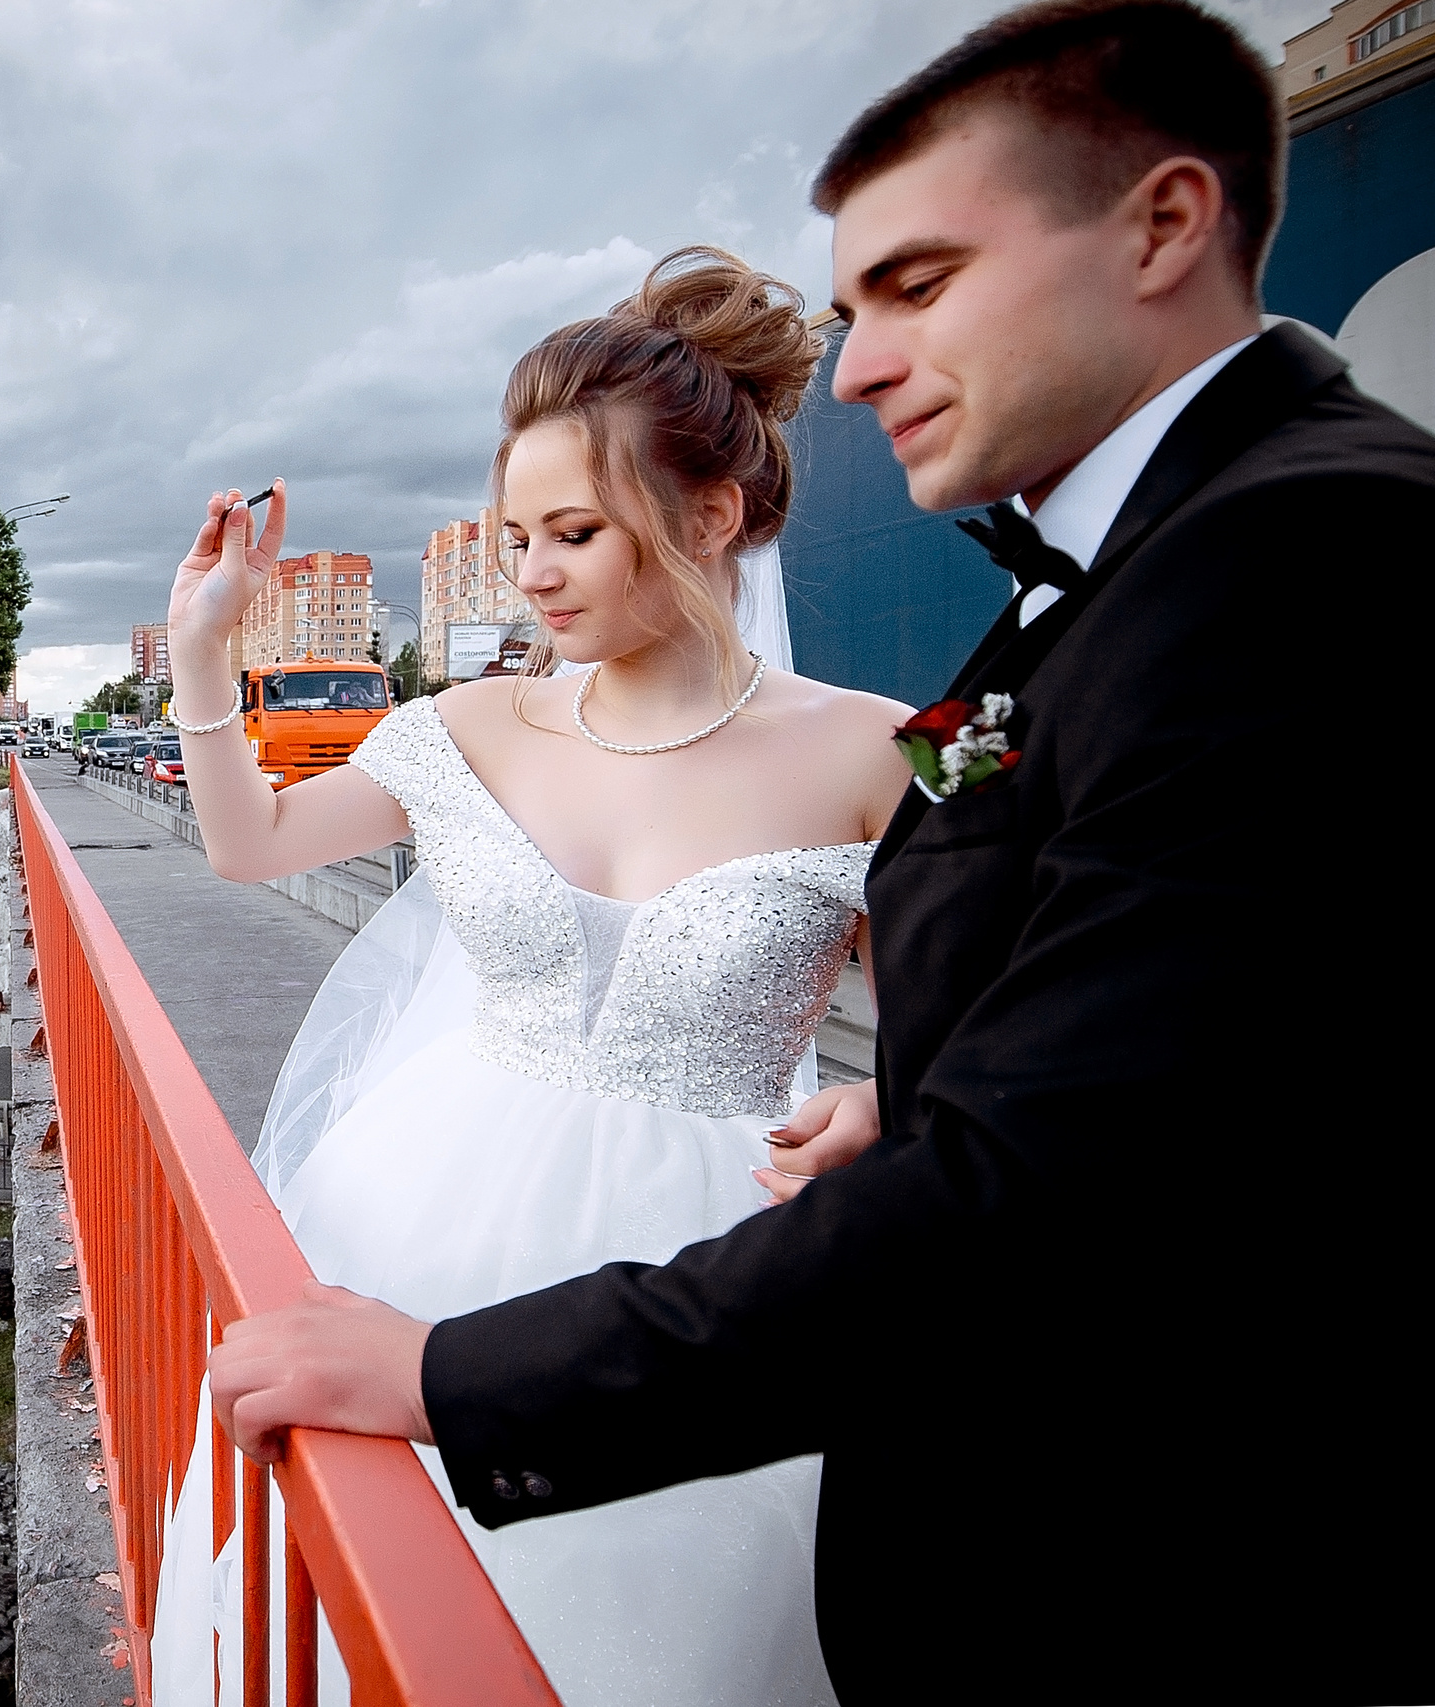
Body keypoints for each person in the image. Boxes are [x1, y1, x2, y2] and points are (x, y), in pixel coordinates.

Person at [206, 4, 1431, 1701]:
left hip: (1119, 1512)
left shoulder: (1298, 552)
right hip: (678, 1286)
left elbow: (1068, 1168)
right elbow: (1104, 992)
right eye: (856, 310)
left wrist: (450, 1381)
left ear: (1161, 226)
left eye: (919, 286)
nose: (852, 372)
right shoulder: (1076, 599)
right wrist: (918, 1093)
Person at [152, 247, 912, 1704]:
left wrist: (891, 1100)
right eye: (513, 537)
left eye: (575, 532)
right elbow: (253, 846)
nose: (533, 574)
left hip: (712, 1257)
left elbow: (993, 1028)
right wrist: (203, 651)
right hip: (419, 1207)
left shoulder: (878, 750)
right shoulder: (474, 725)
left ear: (711, 515)